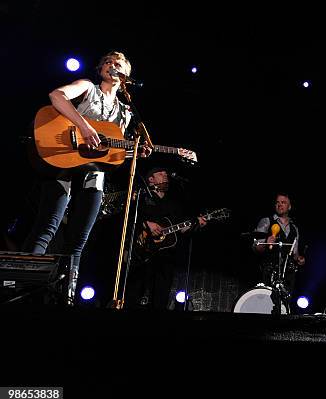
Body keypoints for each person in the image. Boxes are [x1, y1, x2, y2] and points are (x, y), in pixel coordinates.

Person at [23, 51, 151, 302]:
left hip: (93, 172)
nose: (111, 66)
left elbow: (106, 153)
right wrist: (85, 126)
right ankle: (22, 286)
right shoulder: (87, 87)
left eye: (118, 64)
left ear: (126, 75)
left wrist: (133, 154)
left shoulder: (125, 111)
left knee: (80, 238)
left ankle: (65, 296)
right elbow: (56, 96)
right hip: (64, 160)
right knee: (49, 224)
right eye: (107, 62)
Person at [128, 167, 206, 310]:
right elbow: (128, 217)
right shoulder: (141, 197)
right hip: (141, 254)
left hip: (165, 257)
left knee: (160, 298)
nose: (165, 176)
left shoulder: (173, 204)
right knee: (134, 294)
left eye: (166, 174)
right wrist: (147, 224)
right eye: (161, 174)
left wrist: (195, 223)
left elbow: (181, 228)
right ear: (150, 179)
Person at [252, 193, 306, 305]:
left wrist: (299, 259)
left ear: (289, 207)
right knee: (267, 305)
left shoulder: (294, 228)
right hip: (269, 272)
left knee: (284, 306)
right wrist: (266, 242)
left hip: (288, 275)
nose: (279, 205)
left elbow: (294, 252)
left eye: (283, 202)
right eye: (277, 202)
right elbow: (256, 248)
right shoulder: (267, 221)